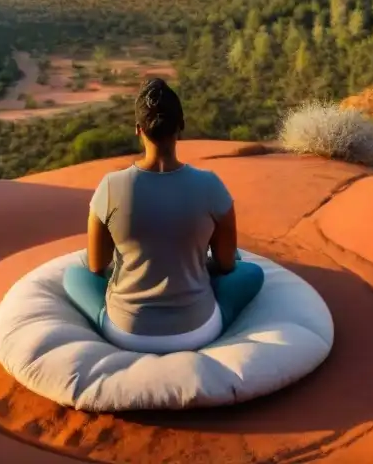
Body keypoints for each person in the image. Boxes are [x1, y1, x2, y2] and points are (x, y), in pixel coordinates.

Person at [62, 78, 265, 354]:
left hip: (126, 333)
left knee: (73, 276)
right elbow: (227, 265)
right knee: (251, 271)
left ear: (138, 129)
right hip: (199, 330)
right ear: (180, 126)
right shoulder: (211, 186)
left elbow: (97, 266)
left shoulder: (110, 187)